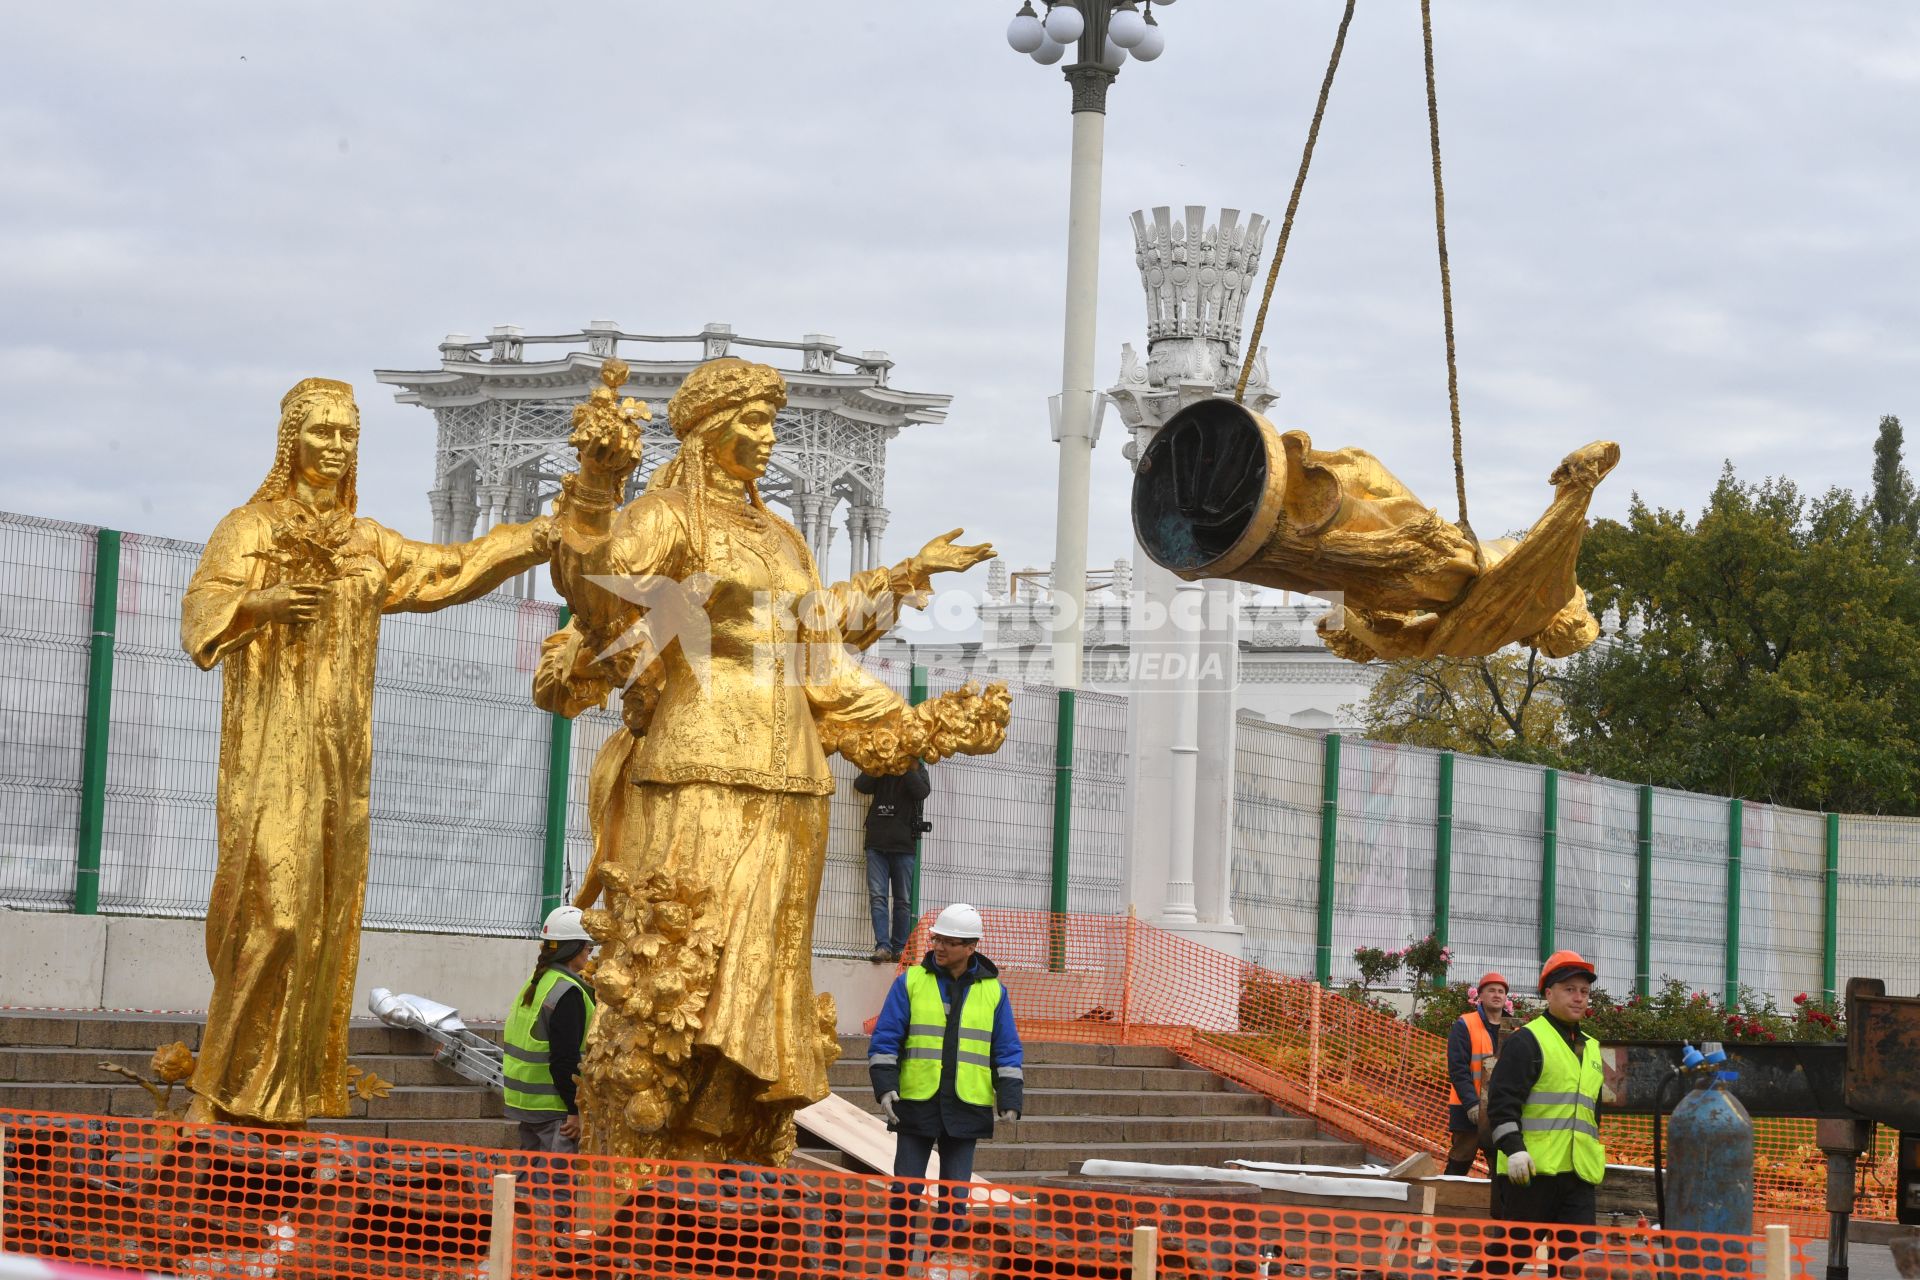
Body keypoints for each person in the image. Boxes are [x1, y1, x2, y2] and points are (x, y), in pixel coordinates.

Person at [535, 356, 1009, 1163]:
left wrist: (907, 582)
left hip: (791, 779)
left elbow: (814, 636)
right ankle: (653, 1144)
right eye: (749, 421)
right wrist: (594, 491)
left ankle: (731, 1138)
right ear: (708, 429)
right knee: (687, 962)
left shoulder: (781, 534)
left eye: (769, 423)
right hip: (695, 768)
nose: (764, 437)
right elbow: (600, 593)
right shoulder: (664, 515)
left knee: (763, 969)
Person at [182, 377, 553, 1126]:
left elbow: (451, 568)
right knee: (274, 915)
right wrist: (260, 603)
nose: (337, 446)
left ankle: (276, 1104)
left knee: (319, 925)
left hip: (340, 766)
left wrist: (540, 536)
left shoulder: (366, 541)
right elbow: (200, 615)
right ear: (291, 441)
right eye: (323, 432)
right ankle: (213, 1094)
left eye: (348, 435)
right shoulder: (250, 528)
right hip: (271, 753)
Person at [868, 903, 1023, 1274]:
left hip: (966, 1105)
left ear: (970, 947)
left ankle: (940, 1268)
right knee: (906, 1194)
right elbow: (885, 1039)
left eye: (949, 942)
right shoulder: (910, 982)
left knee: (954, 1200)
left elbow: (1007, 1049)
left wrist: (1010, 1096)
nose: (939, 947)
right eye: (937, 939)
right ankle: (897, 1268)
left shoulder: (994, 992)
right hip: (916, 1101)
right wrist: (886, 1088)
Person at [1484, 949, 1604, 1265]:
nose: (1579, 997)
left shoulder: (1591, 1047)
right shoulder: (1527, 1041)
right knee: (1508, 1260)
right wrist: (1514, 1150)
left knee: (1576, 1265)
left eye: (1584, 991)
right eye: (1569, 990)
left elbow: (1592, 1113)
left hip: (1577, 1176)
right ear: (1548, 994)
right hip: (1530, 1173)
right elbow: (1501, 1104)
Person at [503, 906, 599, 1152]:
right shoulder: (567, 993)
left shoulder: (538, 982)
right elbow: (564, 1059)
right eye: (588, 948)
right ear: (572, 948)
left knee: (530, 1179)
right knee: (555, 1187)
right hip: (556, 1110)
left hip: (527, 1103)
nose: (590, 954)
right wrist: (573, 1110)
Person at [855, 760, 931, 963]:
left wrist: (906, 768)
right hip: (876, 843)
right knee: (878, 897)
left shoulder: (916, 767)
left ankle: (899, 949)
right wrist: (880, 765)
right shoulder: (880, 765)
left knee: (903, 901)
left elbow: (922, 792)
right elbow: (861, 785)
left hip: (904, 845)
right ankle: (883, 947)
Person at [1445, 971, 1514, 1176]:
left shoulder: (1515, 1029)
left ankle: (1496, 1207)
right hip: (1468, 1109)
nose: (1497, 995)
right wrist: (1471, 1104)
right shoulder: (1465, 1024)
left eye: (1501, 991)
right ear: (1480, 996)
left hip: (1501, 1109)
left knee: (1500, 1166)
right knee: (1460, 1159)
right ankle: (1447, 1203)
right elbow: (1458, 1068)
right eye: (1491, 990)